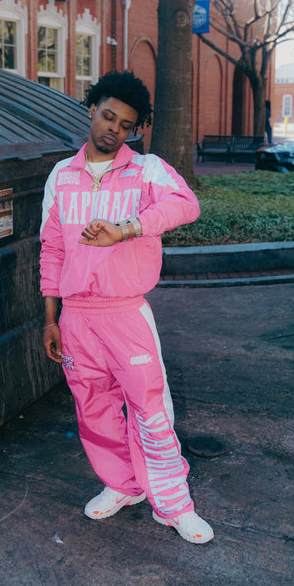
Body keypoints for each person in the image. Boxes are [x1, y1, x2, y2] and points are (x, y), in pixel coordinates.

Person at [39, 70, 214, 545]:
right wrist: (51, 319)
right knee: (93, 407)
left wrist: (127, 228)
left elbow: (186, 205)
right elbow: (52, 249)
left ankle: (174, 505)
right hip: (76, 318)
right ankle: (123, 485)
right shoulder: (61, 176)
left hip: (126, 314)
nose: (113, 129)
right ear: (92, 110)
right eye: (108, 116)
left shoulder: (147, 170)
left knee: (150, 410)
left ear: (134, 130)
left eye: (125, 125)